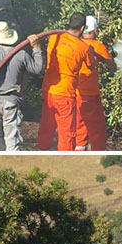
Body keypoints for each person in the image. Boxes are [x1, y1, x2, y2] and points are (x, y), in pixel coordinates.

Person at [0, 21, 44, 151]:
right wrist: (36, 48)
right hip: (11, 102)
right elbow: (38, 69)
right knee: (12, 140)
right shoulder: (21, 54)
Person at [38, 12, 95, 151]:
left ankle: (41, 152)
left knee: (46, 127)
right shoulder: (83, 48)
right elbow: (91, 66)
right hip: (65, 95)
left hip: (48, 91)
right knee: (67, 133)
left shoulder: (54, 37)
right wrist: (91, 51)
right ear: (82, 28)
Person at [75, 15, 116, 151]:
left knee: (80, 127)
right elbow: (112, 67)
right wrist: (108, 57)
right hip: (90, 94)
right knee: (97, 129)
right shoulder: (98, 46)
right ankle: (98, 152)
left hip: (74, 93)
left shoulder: (75, 43)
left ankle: (78, 152)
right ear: (95, 30)